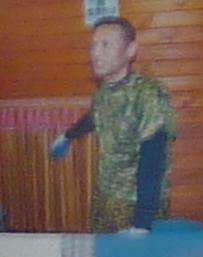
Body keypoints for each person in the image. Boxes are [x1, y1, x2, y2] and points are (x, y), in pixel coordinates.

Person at [46, 13, 170, 231]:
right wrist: (68, 136)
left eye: (105, 44)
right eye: (93, 45)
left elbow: (152, 163)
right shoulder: (103, 92)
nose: (96, 53)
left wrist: (142, 225)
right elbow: (94, 117)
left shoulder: (149, 95)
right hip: (106, 197)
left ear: (130, 50)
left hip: (137, 206)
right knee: (101, 250)